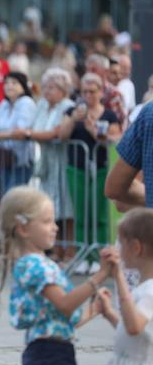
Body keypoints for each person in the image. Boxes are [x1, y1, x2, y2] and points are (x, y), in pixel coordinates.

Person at [0, 186, 110, 365]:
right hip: (49, 356)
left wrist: (94, 309)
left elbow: (64, 318)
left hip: (53, 353)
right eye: (47, 221)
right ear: (23, 229)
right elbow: (64, 304)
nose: (55, 227)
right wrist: (100, 276)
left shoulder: (38, 264)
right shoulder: (35, 266)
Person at [59, 73, 122, 274]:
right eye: (84, 91)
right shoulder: (72, 110)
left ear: (100, 92)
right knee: (80, 213)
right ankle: (83, 255)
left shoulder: (109, 114)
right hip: (77, 167)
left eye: (92, 91)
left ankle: (99, 255)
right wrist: (72, 120)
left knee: (100, 213)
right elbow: (61, 135)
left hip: (102, 167)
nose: (87, 95)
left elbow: (115, 136)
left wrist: (93, 128)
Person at [22, 68, 75, 258]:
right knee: (51, 207)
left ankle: (68, 250)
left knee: (66, 208)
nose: (47, 91)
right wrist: (32, 133)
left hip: (63, 160)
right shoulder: (42, 105)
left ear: (63, 89)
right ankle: (54, 249)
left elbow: (56, 132)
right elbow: (34, 127)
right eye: (45, 87)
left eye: (52, 87)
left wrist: (30, 134)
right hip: (46, 161)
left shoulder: (68, 106)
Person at [96, 209, 153, 365]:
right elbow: (135, 332)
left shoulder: (150, 291)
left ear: (136, 247)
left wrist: (119, 277)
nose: (118, 250)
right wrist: (110, 314)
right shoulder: (144, 287)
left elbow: (134, 327)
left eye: (120, 243)